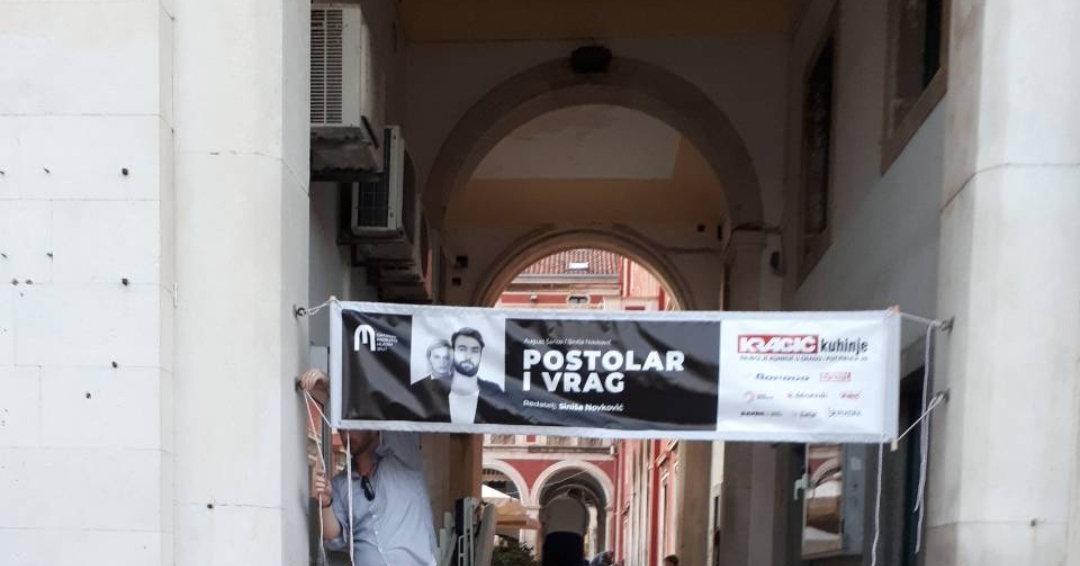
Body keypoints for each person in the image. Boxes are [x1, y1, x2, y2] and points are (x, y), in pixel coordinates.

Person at [302, 369, 438, 566]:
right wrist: (325, 503)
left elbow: (386, 411)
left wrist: (334, 387)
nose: (346, 433)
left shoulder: (403, 458)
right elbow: (333, 537)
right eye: (342, 427)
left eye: (353, 424)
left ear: (374, 426)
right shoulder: (341, 483)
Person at [540, 488, 588, 566]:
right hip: (573, 541)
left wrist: (544, 543)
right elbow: (584, 531)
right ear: (580, 496)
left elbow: (543, 525)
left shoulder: (553, 502)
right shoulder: (583, 507)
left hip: (552, 539)